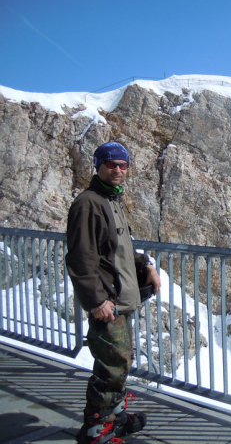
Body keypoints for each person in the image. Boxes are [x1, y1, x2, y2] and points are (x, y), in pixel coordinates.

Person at [66, 142, 161, 444]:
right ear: (98, 165)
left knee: (120, 362)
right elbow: (81, 258)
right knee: (111, 367)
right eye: (111, 164)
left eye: (123, 165)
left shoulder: (112, 199)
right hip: (108, 302)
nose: (118, 170)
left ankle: (116, 417)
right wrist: (96, 302)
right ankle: (96, 431)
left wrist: (146, 265)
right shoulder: (88, 203)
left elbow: (121, 248)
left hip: (122, 300)